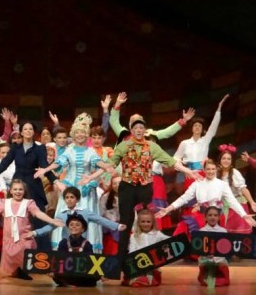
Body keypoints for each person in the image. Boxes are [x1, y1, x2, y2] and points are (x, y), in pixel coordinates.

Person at [82, 114, 201, 274]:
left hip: (145, 187)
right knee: (125, 223)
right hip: (127, 187)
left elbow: (170, 161)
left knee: (146, 219)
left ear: (144, 130)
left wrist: (189, 172)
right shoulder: (124, 146)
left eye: (141, 128)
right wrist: (91, 176)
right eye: (136, 128)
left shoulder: (151, 147)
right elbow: (109, 165)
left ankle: (148, 257)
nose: (138, 130)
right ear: (131, 130)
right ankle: (120, 262)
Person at [34, 122, 113, 253]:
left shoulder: (91, 151)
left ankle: (88, 249)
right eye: (77, 132)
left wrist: (99, 171)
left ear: (86, 135)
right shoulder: (69, 150)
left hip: (86, 190)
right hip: (70, 189)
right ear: (74, 135)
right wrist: (45, 169)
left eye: (82, 132)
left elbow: (99, 163)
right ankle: (63, 249)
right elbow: (58, 163)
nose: (80, 134)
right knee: (66, 216)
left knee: (87, 217)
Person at [0, 121, 57, 233]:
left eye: (30, 129)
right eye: (25, 129)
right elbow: (3, 164)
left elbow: (45, 168)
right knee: (16, 219)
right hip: (18, 186)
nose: (28, 131)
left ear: (34, 132)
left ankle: (40, 249)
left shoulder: (40, 148)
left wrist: (57, 182)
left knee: (38, 220)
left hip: (34, 186)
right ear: (21, 132)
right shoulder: (15, 148)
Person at [156, 159, 256, 238]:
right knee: (183, 226)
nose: (211, 171)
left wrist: (244, 215)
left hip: (215, 217)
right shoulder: (197, 183)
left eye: (213, 169)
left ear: (216, 169)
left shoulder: (222, 184)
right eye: (208, 169)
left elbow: (232, 201)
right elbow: (184, 198)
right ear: (204, 170)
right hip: (200, 215)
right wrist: (168, 208)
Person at [0, 179, 64, 280]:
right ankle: (16, 270)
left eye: (20, 189)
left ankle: (23, 270)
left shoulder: (28, 203)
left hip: (23, 237)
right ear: (10, 191)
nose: (18, 192)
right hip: (9, 239)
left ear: (24, 191)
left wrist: (52, 221)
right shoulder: (5, 203)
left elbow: (38, 213)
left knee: (26, 248)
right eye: (15, 189)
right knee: (11, 268)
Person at [33, 186, 125, 251]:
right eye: (67, 197)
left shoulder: (84, 212)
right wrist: (35, 232)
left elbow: (100, 220)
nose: (69, 199)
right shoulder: (62, 214)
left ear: (77, 199)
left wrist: (117, 226)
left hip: (82, 244)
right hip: (66, 246)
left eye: (72, 197)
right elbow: (49, 227)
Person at [172, 94, 228, 197]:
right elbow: (175, 159)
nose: (197, 127)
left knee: (204, 200)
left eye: (199, 126)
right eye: (195, 125)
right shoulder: (184, 143)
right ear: (192, 128)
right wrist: (183, 167)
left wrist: (218, 109)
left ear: (202, 129)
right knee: (190, 200)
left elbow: (213, 126)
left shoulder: (205, 140)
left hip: (203, 173)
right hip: (190, 175)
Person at [217, 144, 256, 234]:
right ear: (220, 160)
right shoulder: (216, 173)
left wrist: (251, 202)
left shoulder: (234, 173)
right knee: (224, 234)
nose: (226, 161)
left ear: (232, 161)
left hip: (236, 204)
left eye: (228, 159)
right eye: (224, 158)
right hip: (223, 206)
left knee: (238, 233)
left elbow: (243, 189)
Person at [124, 207, 171, 287]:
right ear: (138, 223)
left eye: (148, 222)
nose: (145, 224)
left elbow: (170, 240)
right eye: (143, 221)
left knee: (149, 276)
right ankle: (139, 279)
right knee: (134, 277)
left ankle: (149, 277)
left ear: (152, 223)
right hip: (138, 262)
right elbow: (132, 250)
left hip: (151, 264)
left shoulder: (157, 234)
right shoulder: (134, 236)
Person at [52, 214, 101, 288]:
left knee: (96, 275)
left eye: (77, 225)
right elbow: (59, 259)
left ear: (83, 229)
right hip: (67, 273)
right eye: (71, 225)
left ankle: (72, 283)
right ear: (68, 228)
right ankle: (68, 282)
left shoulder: (87, 244)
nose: (74, 226)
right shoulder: (63, 242)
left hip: (82, 275)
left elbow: (91, 262)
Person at [196, 205, 231, 287]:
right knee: (204, 275)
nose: (213, 217)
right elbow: (199, 249)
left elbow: (225, 249)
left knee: (225, 280)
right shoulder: (201, 231)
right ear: (205, 217)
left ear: (219, 217)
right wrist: (207, 256)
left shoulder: (223, 231)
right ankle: (205, 277)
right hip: (206, 259)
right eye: (210, 215)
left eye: (215, 215)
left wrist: (216, 257)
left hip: (220, 259)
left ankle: (216, 278)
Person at [99, 175, 122, 256]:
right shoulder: (106, 197)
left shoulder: (129, 196)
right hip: (110, 228)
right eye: (114, 183)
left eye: (119, 183)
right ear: (111, 185)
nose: (117, 185)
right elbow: (101, 213)